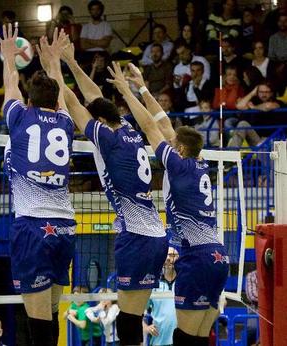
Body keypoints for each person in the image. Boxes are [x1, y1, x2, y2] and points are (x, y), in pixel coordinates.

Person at [54, 34, 167, 346]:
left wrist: (54, 67)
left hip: (135, 236)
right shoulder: (128, 129)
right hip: (157, 234)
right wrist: (73, 63)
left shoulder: (107, 138)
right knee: (134, 314)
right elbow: (93, 97)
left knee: (128, 320)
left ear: (101, 121)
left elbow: (77, 104)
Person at [106, 61, 229, 346]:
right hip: (218, 257)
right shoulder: (199, 162)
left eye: (172, 142)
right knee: (198, 338)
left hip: (196, 257)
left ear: (180, 149)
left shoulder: (178, 165)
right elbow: (163, 123)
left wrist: (126, 91)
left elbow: (150, 126)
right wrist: (143, 86)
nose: (168, 142)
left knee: (183, 338)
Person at [0, 24, 76, 346]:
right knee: (52, 312)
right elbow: (61, 95)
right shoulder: (66, 122)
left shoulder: (19, 116)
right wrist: (54, 59)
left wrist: (8, 57)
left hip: (31, 225)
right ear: (56, 102)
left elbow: (10, 83)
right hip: (66, 226)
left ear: (28, 101)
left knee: (37, 321)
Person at [143, 247, 179, 346]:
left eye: (172, 255)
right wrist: (146, 328)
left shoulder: (185, 283)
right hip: (158, 341)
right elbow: (138, 313)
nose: (168, 259)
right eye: (166, 256)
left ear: (178, 259)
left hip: (181, 340)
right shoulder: (153, 284)